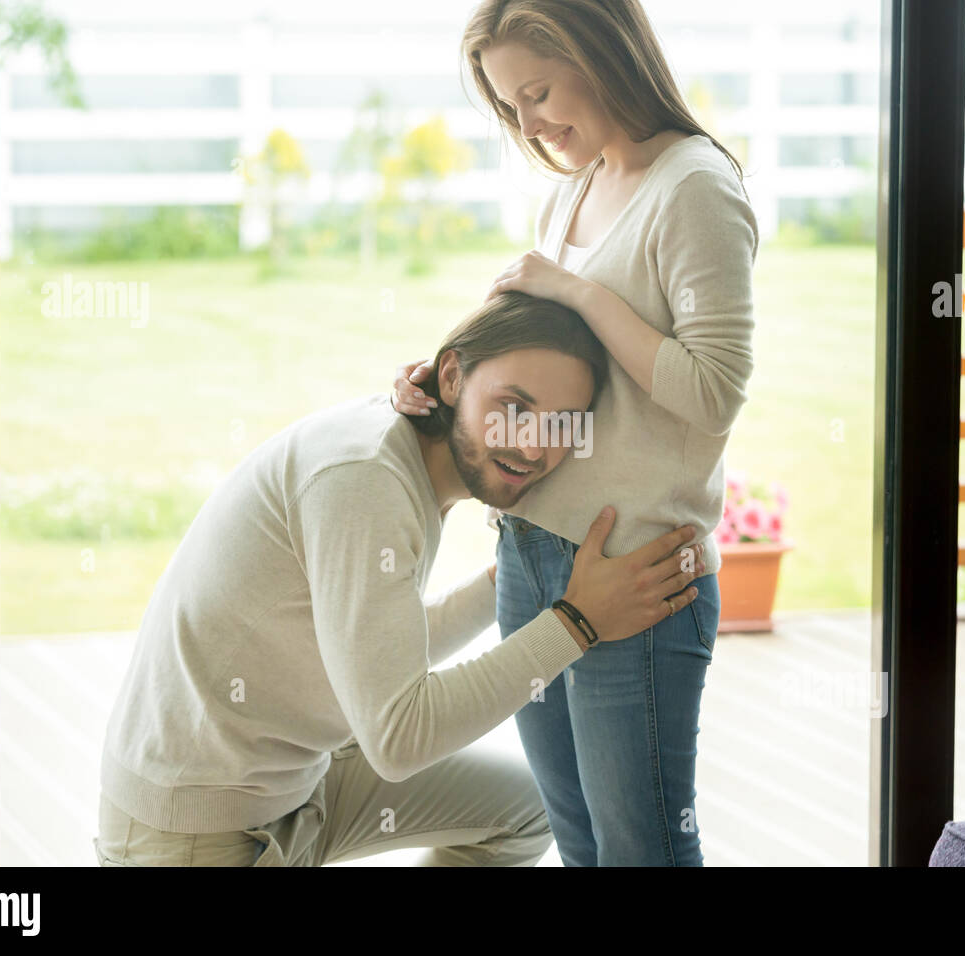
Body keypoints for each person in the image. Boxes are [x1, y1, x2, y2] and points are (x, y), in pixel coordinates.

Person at [93, 291, 706, 867]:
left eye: (558, 424)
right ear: (450, 377)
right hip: (196, 830)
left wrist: (508, 583)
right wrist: (577, 623)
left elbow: (381, 648)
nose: (531, 446)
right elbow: (398, 737)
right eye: (513, 408)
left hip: (294, 784)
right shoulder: (364, 479)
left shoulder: (410, 456)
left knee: (525, 812)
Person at [392, 0, 758, 865]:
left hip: (633, 574)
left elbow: (713, 391)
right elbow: (535, 354)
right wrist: (439, 377)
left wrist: (582, 291)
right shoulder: (577, 190)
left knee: (641, 854)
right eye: (510, 106)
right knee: (580, 844)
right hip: (531, 556)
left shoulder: (695, 187)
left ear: (601, 49)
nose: (529, 123)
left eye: (539, 91)